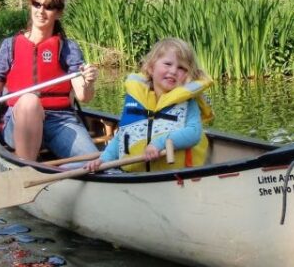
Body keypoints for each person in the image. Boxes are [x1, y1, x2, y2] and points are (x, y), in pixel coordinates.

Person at [0, 0, 99, 162]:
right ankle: (27, 167)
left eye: (49, 7)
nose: (41, 11)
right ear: (31, 6)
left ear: (58, 13)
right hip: (19, 121)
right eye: (37, 4)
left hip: (60, 121)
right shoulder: (10, 46)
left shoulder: (68, 48)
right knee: (29, 101)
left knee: (97, 163)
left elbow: (84, 96)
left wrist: (88, 82)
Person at [84, 37, 213, 173]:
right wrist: (104, 159)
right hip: (132, 174)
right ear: (151, 68)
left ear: (188, 75)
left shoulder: (188, 102)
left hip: (173, 175)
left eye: (181, 68)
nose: (173, 71)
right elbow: (123, 135)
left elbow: (193, 133)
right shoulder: (137, 99)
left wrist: (158, 144)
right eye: (168, 64)